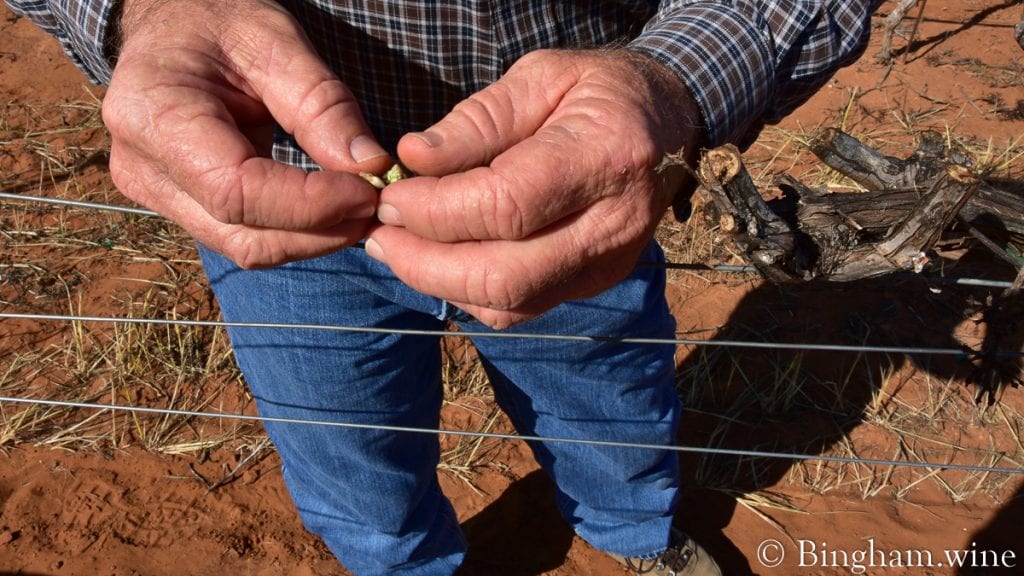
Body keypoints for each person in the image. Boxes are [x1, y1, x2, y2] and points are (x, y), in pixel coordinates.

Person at [7, 1, 879, 574]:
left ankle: (636, 533)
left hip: (575, 183)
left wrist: (678, 81)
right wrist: (142, 11)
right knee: (349, 457)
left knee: (610, 397)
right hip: (282, 214)